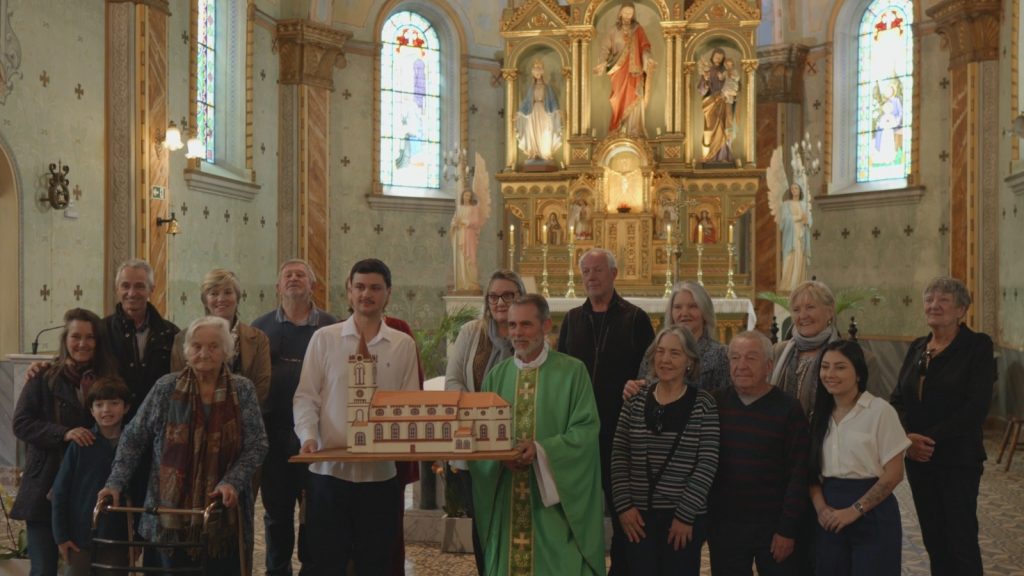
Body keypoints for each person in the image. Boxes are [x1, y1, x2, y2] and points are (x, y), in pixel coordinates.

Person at [100, 316, 268, 576]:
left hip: (221, 515)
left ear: (226, 350)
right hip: (168, 516)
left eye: (213, 346)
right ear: (186, 351)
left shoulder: (242, 390)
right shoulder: (165, 387)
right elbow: (133, 438)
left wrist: (232, 481)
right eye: (197, 346)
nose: (204, 353)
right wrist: (115, 482)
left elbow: (257, 444)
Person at [293, 259, 420, 575]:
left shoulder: (402, 344)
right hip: (328, 473)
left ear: (388, 293)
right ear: (349, 292)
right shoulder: (325, 338)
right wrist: (308, 437)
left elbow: (408, 403)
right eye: (360, 287)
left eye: (375, 288)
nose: (367, 294)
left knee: (375, 564)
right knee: (325, 563)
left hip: (380, 478)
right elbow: (306, 396)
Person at [469, 294, 606, 575]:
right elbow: (480, 436)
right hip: (508, 499)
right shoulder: (496, 376)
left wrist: (542, 451)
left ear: (546, 326)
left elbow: (586, 432)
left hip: (554, 508)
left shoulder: (572, 372)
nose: (517, 333)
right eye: (512, 325)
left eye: (526, 325)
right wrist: (499, 457)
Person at [557, 248, 655, 575]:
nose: (591, 277)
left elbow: (651, 373)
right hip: (579, 432)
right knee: (579, 507)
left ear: (614, 274)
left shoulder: (636, 318)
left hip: (621, 430)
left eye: (598, 270)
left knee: (623, 508)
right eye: (585, 271)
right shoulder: (571, 319)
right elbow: (560, 371)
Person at [890, 276, 995, 576]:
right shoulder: (917, 347)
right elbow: (897, 399)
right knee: (934, 540)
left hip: (957, 458)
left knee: (960, 541)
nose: (934, 305)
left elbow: (975, 408)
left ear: (961, 310)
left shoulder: (977, 346)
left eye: (943, 300)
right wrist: (907, 438)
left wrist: (926, 440)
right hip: (919, 460)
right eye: (929, 300)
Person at [12, 308, 117, 576]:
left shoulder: (106, 381)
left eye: (90, 337)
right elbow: (21, 423)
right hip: (44, 483)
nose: (82, 343)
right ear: (65, 339)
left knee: (79, 570)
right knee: (44, 569)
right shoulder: (43, 377)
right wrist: (64, 433)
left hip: (83, 491)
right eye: (76, 336)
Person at [251, 259, 339, 576]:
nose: (293, 279)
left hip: (318, 437)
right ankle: (278, 570)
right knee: (276, 514)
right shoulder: (258, 329)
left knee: (316, 512)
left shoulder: (332, 327)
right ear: (277, 287)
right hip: (273, 436)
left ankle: (313, 570)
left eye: (300, 274)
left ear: (313, 285)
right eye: (287, 275)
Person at [611, 325, 719, 575]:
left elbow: (707, 462)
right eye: (660, 352)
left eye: (674, 353)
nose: (665, 359)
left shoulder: (704, 404)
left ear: (689, 361)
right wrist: (624, 507)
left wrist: (685, 515)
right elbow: (618, 455)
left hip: (682, 520)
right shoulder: (635, 399)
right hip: (637, 518)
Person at [709, 330, 809, 576]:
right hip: (725, 526)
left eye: (751, 358)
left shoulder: (789, 408)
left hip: (773, 527)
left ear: (769, 365)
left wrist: (787, 529)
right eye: (735, 358)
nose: (741, 366)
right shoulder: (714, 403)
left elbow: (800, 473)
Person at [445, 269, 525, 574]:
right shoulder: (471, 332)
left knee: (517, 523)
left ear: (520, 297)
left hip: (518, 444)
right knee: (484, 526)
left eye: (508, 295)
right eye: (494, 295)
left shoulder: (527, 334)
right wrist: (482, 415)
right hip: (476, 446)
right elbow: (453, 381)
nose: (500, 302)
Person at [808, 340, 909, 576]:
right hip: (830, 514)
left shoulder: (879, 411)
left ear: (858, 374)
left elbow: (895, 474)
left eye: (840, 367)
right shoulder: (818, 414)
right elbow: (810, 469)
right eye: (825, 367)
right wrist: (821, 508)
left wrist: (854, 510)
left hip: (873, 513)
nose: (830, 374)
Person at [51, 377, 133, 576]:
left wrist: (136, 538)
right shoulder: (80, 444)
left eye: (114, 403)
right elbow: (60, 492)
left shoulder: (133, 445)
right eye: (99, 404)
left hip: (117, 537)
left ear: (126, 407)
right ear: (91, 410)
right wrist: (61, 536)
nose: (106, 410)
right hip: (79, 536)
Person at [171, 268, 271, 410]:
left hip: (244, 418)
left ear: (237, 297)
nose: (221, 299)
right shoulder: (182, 338)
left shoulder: (259, 339)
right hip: (194, 417)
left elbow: (261, 387)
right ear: (205, 300)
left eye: (228, 292)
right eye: (214, 293)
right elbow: (178, 382)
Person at [103, 259, 180, 417]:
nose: (131, 293)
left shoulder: (170, 333)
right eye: (125, 286)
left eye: (139, 286)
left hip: (158, 419)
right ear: (117, 289)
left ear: (151, 289)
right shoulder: (102, 330)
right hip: (113, 421)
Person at [632, 281, 729, 393]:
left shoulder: (720, 355)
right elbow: (643, 388)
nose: (684, 313)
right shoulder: (655, 350)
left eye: (693, 306)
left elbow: (724, 400)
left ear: (705, 311)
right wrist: (634, 388)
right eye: (678, 307)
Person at [771, 280, 839, 417]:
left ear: (830, 312)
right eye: (796, 310)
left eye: (810, 307)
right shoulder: (777, 351)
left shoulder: (845, 355)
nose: (803, 316)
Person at [593, 1, 655, 137]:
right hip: (618, 70)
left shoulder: (638, 29)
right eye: (625, 12)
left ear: (633, 14)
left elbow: (645, 47)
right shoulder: (613, 31)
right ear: (620, 13)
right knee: (617, 99)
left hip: (635, 71)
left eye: (630, 13)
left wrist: (647, 57)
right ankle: (618, 129)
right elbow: (605, 49)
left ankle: (633, 130)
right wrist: (602, 63)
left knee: (635, 96)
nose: (628, 15)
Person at [516, 60, 562, 162]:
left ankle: (544, 153)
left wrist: (556, 110)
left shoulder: (547, 87)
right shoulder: (531, 88)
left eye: (538, 72)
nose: (537, 74)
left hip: (544, 111)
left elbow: (552, 100)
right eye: (535, 72)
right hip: (533, 112)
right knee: (532, 131)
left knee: (545, 131)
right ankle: (534, 152)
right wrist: (520, 113)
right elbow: (526, 101)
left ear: (542, 73)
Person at [699, 47, 735, 163]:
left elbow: (734, 86)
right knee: (709, 128)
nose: (718, 59)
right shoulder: (707, 71)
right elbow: (702, 90)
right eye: (716, 57)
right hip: (710, 102)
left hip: (723, 102)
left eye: (720, 58)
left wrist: (726, 83)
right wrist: (705, 80)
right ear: (712, 57)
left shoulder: (726, 72)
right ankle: (709, 155)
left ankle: (723, 156)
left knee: (724, 127)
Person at [778, 184, 811, 293]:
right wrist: (798, 218)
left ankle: (798, 285)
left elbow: (809, 221)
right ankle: (787, 286)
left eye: (796, 188)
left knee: (800, 259)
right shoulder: (786, 204)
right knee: (790, 258)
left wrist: (807, 221)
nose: (794, 190)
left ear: (800, 190)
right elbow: (784, 221)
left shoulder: (804, 204)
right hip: (791, 235)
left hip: (801, 235)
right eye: (792, 189)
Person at [452, 189, 484, 291]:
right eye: (465, 195)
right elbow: (454, 221)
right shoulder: (459, 208)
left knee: (471, 258)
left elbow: (476, 222)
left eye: (469, 196)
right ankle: (462, 283)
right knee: (461, 258)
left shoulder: (474, 208)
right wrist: (455, 224)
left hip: (469, 235)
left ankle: (472, 283)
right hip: (460, 234)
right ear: (462, 196)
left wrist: (465, 222)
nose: (467, 197)